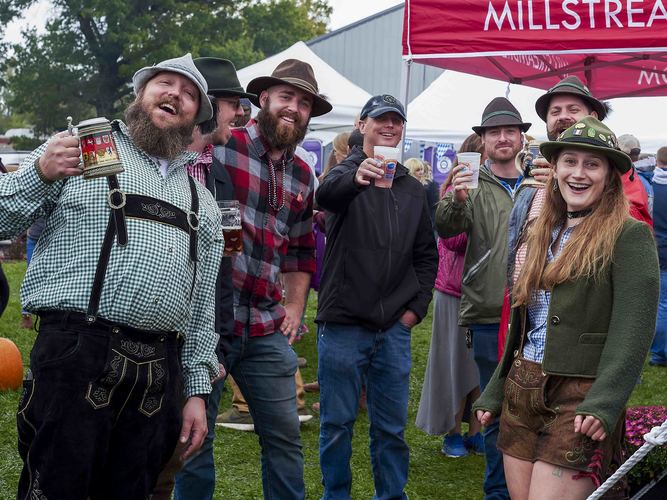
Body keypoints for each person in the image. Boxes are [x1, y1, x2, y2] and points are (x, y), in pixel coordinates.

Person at [1, 53, 224, 498]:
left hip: (159, 370)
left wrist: (196, 390)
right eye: (165, 84)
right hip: (76, 352)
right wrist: (41, 173)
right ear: (141, 95)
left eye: (189, 94)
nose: (175, 95)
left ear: (196, 118)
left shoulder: (204, 202)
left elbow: (201, 308)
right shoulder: (81, 149)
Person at [474, 116, 659, 500]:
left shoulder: (630, 235)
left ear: (609, 176)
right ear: (554, 169)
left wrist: (605, 401)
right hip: (521, 389)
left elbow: (634, 330)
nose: (579, 173)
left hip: (580, 393)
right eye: (569, 162)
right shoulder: (543, 229)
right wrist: (496, 388)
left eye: (592, 164)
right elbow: (525, 323)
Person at [213, 58, 331, 499]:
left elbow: (300, 250)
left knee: (284, 439)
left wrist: (297, 305)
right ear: (263, 99)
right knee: (196, 437)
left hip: (265, 325)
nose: (294, 108)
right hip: (210, 320)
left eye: (304, 103)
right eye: (286, 97)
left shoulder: (303, 173)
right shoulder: (224, 148)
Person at [315, 93, 438, 499]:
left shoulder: (411, 187)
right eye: (381, 119)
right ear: (362, 125)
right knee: (337, 425)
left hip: (393, 329)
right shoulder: (344, 172)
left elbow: (426, 256)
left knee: (390, 428)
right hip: (344, 324)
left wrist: (413, 311)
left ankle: (391, 495)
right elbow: (326, 196)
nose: (390, 126)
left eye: (397, 121)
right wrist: (357, 175)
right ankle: (337, 495)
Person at [148, 56, 253, 500]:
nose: (240, 115)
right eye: (233, 104)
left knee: (189, 447)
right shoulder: (149, 163)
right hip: (139, 335)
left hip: (199, 337)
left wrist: (219, 342)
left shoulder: (220, 174)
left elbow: (221, 269)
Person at [436, 96, 530, 500]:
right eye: (495, 132)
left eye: (510, 131)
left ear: (522, 137)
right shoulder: (470, 182)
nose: (504, 138)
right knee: (495, 408)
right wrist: (455, 199)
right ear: (484, 141)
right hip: (489, 311)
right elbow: (445, 228)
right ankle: (498, 490)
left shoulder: (541, 180)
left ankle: (528, 485)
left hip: (538, 311)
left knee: (529, 405)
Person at [416, 135, 484, 458]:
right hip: (454, 292)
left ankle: (476, 431)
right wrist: (465, 201)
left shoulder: (500, 190)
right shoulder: (453, 192)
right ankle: (453, 432)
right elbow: (454, 242)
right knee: (454, 365)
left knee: (481, 365)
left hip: (486, 292)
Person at [650, 145, 667, 367]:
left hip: (659, 248)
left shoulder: (650, 184)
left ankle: (660, 352)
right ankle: (661, 353)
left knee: (662, 303)